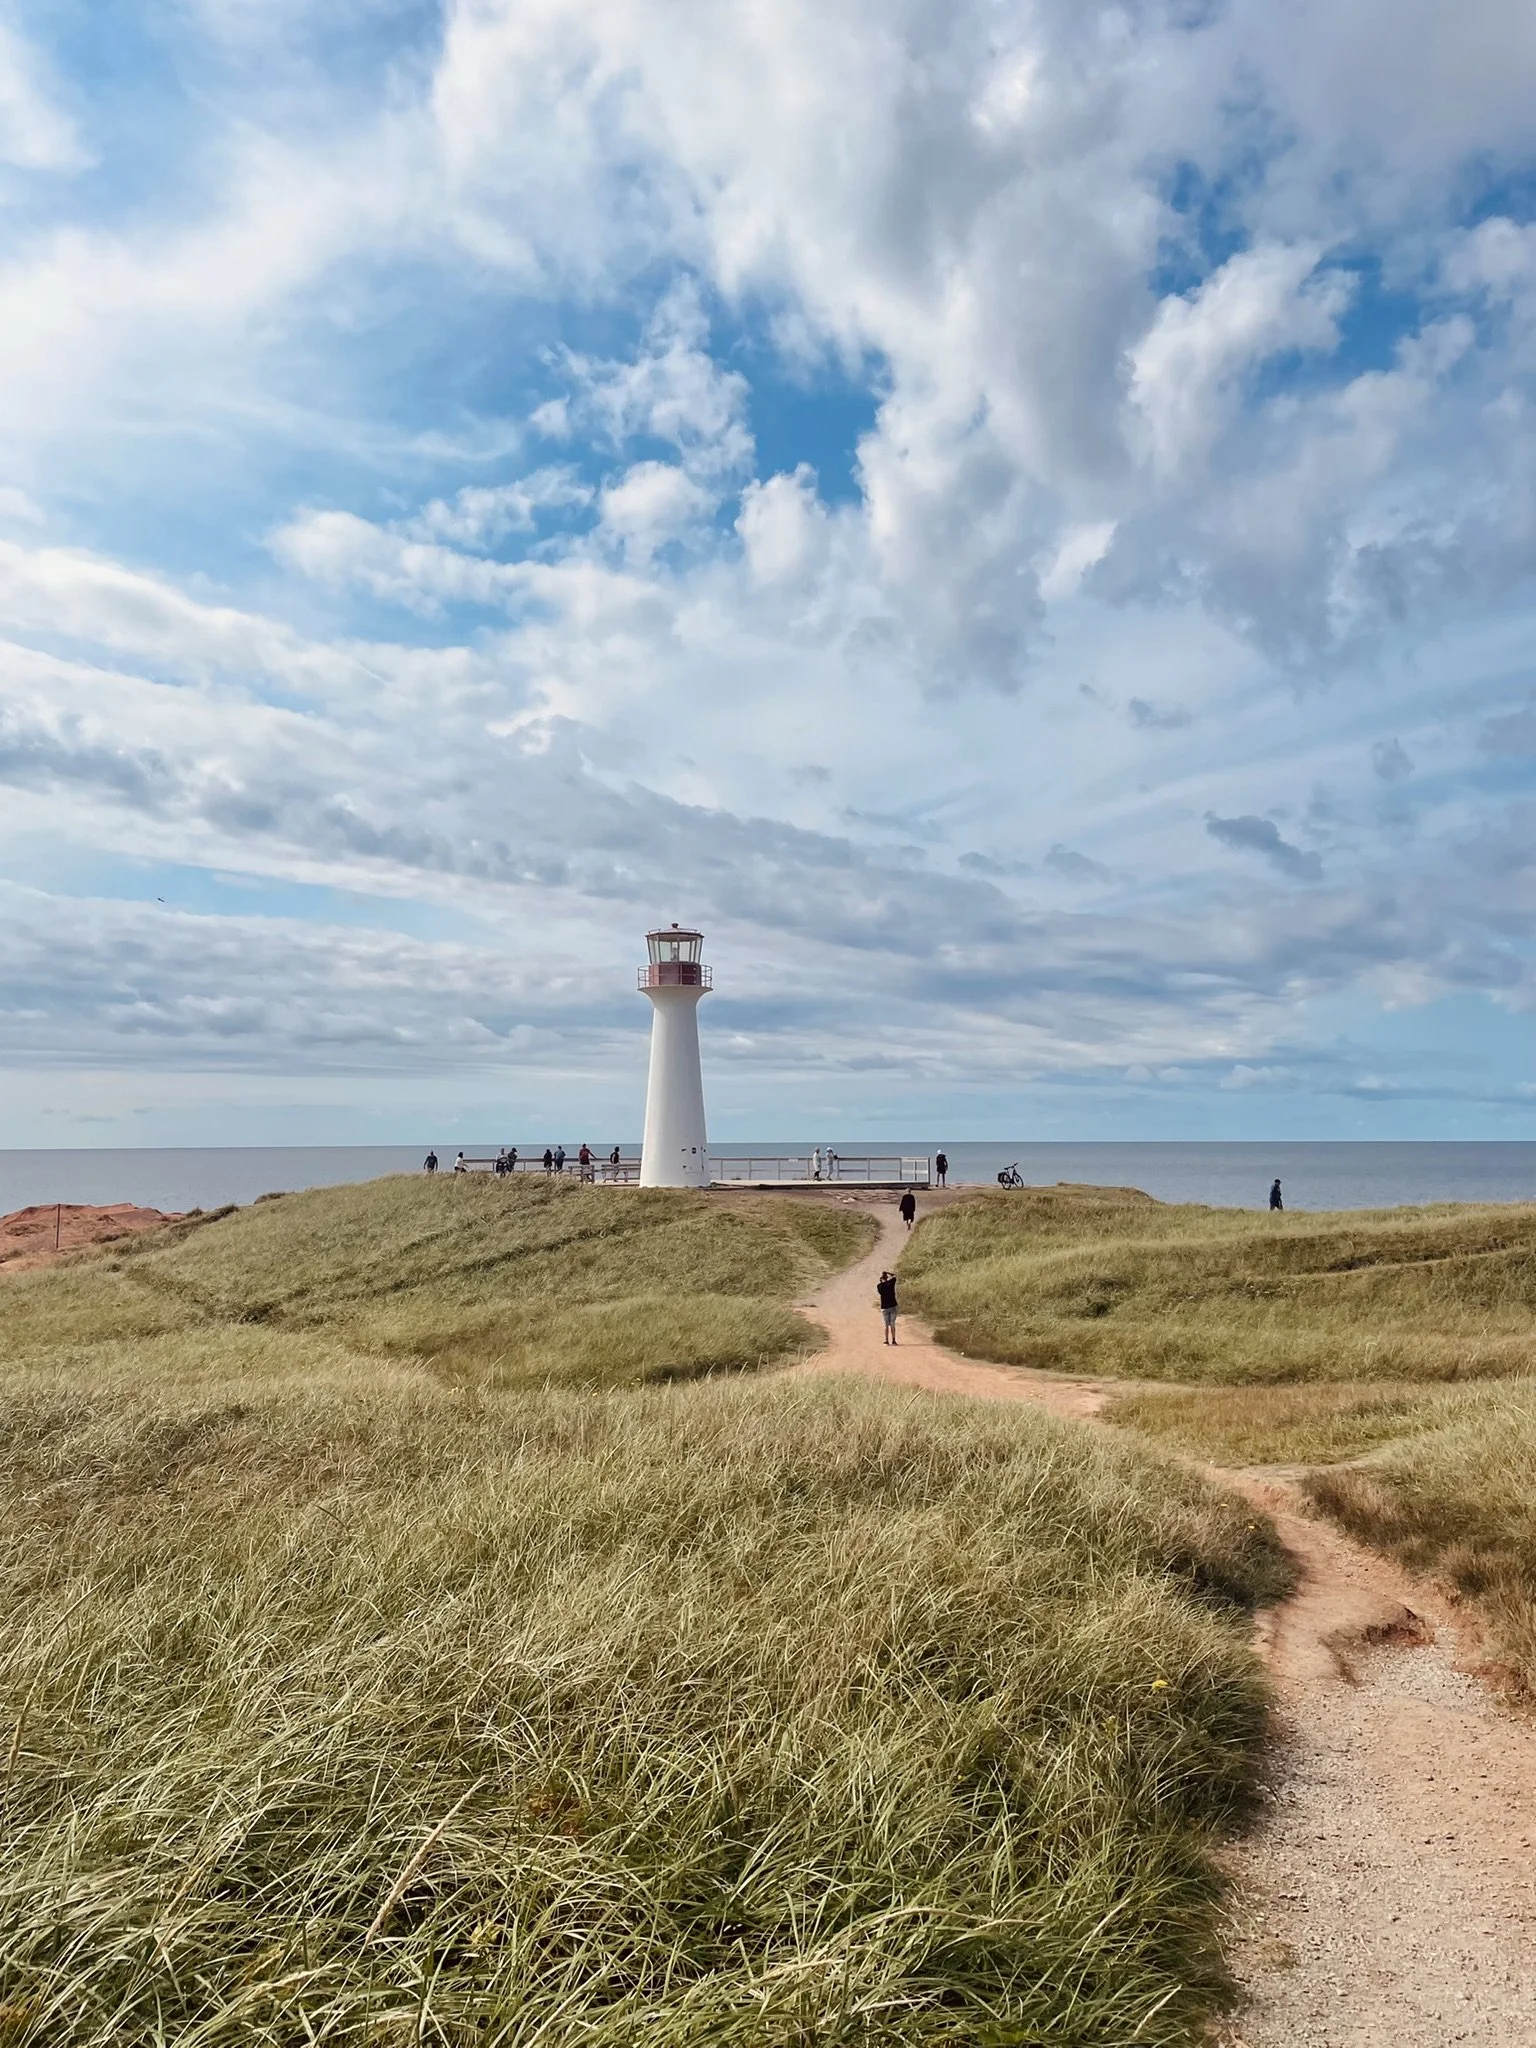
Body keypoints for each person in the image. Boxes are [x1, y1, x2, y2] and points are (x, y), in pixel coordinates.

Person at [876, 1270, 899, 1345]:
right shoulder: (891, 1283)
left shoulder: (879, 1286)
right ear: (887, 1277)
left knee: (886, 1325)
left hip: (884, 1307)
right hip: (892, 1306)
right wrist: (889, 1273)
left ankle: (886, 1340)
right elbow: (894, 1276)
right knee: (892, 1324)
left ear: (881, 1278)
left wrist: (881, 1280)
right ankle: (893, 1340)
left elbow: (880, 1290)